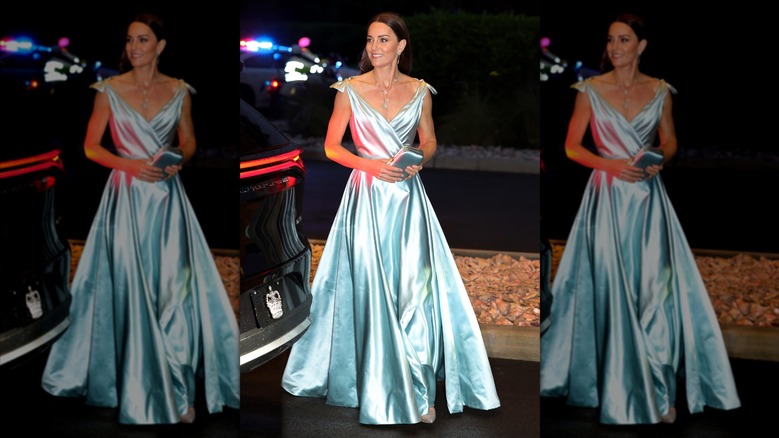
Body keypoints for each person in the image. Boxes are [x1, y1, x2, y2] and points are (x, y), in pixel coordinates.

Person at [280, 11, 501, 425]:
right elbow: (331, 147)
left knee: (414, 296)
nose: (374, 47)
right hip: (366, 200)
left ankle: (417, 389)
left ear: (401, 46)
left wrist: (420, 160)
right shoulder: (348, 90)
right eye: (370, 40)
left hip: (408, 202)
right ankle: (382, 384)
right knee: (371, 293)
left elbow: (429, 139)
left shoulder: (420, 91)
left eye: (383, 40)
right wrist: (369, 165)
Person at [539, 13, 741, 425]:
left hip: (649, 204)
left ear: (641, 46)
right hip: (607, 201)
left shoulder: (661, 91)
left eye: (625, 40)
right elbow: (572, 147)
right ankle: (616, 386)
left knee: (656, 296)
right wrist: (611, 165)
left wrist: (659, 159)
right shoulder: (589, 90)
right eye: (611, 39)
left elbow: (670, 141)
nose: (615, 47)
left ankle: (660, 391)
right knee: (612, 293)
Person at [40, 13, 240, 425]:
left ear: (160, 46)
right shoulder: (108, 91)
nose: (134, 47)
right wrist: (129, 165)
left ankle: (180, 391)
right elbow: (92, 147)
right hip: (125, 200)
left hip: (168, 203)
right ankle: (135, 384)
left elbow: (189, 141)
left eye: (143, 39)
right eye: (130, 39)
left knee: (174, 295)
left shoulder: (180, 90)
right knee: (130, 292)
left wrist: (177, 160)